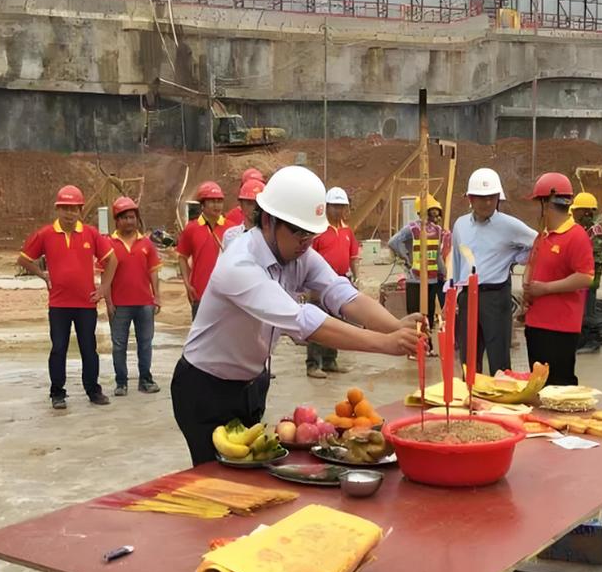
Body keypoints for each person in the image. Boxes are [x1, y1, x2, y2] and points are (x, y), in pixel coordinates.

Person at [171, 165, 425, 466]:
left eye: (311, 234)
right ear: (268, 220)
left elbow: (340, 292)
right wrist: (385, 344)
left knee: (249, 474)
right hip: (205, 388)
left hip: (252, 384)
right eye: (299, 233)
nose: (306, 242)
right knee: (215, 480)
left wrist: (395, 326)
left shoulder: (298, 253)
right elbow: (303, 320)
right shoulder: (239, 265)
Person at [17, 185, 116, 409]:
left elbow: (112, 260)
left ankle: (93, 390)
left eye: (73, 209)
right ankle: (57, 393)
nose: (69, 213)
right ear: (57, 209)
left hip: (86, 303)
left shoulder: (90, 233)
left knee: (89, 348)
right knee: (58, 348)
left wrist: (103, 288)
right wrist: (42, 275)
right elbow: (23, 259)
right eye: (65, 208)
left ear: (80, 210)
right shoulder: (45, 234)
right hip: (59, 304)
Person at [449, 168, 537, 375]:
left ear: (499, 198)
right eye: (481, 198)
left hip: (496, 297)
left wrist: (516, 257)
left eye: (492, 197)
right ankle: (472, 392)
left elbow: (538, 243)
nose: (487, 202)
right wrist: (452, 295)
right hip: (467, 296)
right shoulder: (460, 225)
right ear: (470, 198)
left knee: (499, 360)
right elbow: (456, 259)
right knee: (469, 359)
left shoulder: (509, 225)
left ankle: (501, 392)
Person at [522, 175, 595, 385]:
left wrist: (545, 289)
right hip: (536, 323)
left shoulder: (576, 236)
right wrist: (527, 288)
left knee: (560, 387)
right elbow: (531, 265)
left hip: (560, 327)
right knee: (539, 385)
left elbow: (585, 277)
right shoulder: (542, 236)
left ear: (546, 204)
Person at [107, 196, 162, 396]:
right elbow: (105, 278)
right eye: (124, 218)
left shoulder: (147, 244)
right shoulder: (108, 244)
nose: (129, 221)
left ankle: (145, 380)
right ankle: (121, 382)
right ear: (117, 220)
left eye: (132, 217)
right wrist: (109, 302)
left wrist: (157, 296)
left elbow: (153, 271)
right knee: (118, 345)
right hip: (119, 305)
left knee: (145, 344)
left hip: (145, 304)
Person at [306, 186, 361, 378]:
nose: (338, 210)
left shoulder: (347, 231)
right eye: (335, 206)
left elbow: (353, 257)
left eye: (342, 206)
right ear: (327, 207)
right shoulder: (318, 231)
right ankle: (313, 364)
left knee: (335, 323)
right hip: (319, 284)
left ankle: (330, 361)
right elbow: (307, 258)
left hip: (340, 282)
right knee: (317, 324)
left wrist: (356, 278)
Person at [388, 194, 451, 354]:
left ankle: (426, 347)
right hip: (416, 280)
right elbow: (394, 242)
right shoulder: (412, 229)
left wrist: (444, 274)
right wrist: (407, 257)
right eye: (433, 212)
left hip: (431, 279)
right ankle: (415, 347)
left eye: (437, 212)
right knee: (416, 316)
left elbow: (436, 255)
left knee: (426, 316)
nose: (436, 216)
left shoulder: (437, 230)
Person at [177, 181, 228, 319]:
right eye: (212, 201)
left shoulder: (232, 229)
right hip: (200, 294)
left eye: (219, 201)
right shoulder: (191, 229)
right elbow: (182, 256)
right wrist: (187, 284)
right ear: (202, 204)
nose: (217, 205)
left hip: (226, 296)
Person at [568, 192, 602, 354]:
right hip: (583, 276)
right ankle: (582, 340)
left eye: (576, 210)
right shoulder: (584, 229)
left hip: (590, 278)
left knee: (588, 309)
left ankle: (592, 341)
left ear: (585, 212)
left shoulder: (595, 231)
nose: (573, 213)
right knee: (581, 309)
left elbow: (596, 257)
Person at [222, 177, 265, 248]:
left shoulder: (271, 237)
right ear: (241, 205)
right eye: (250, 203)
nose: (255, 208)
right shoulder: (230, 236)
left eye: (258, 204)